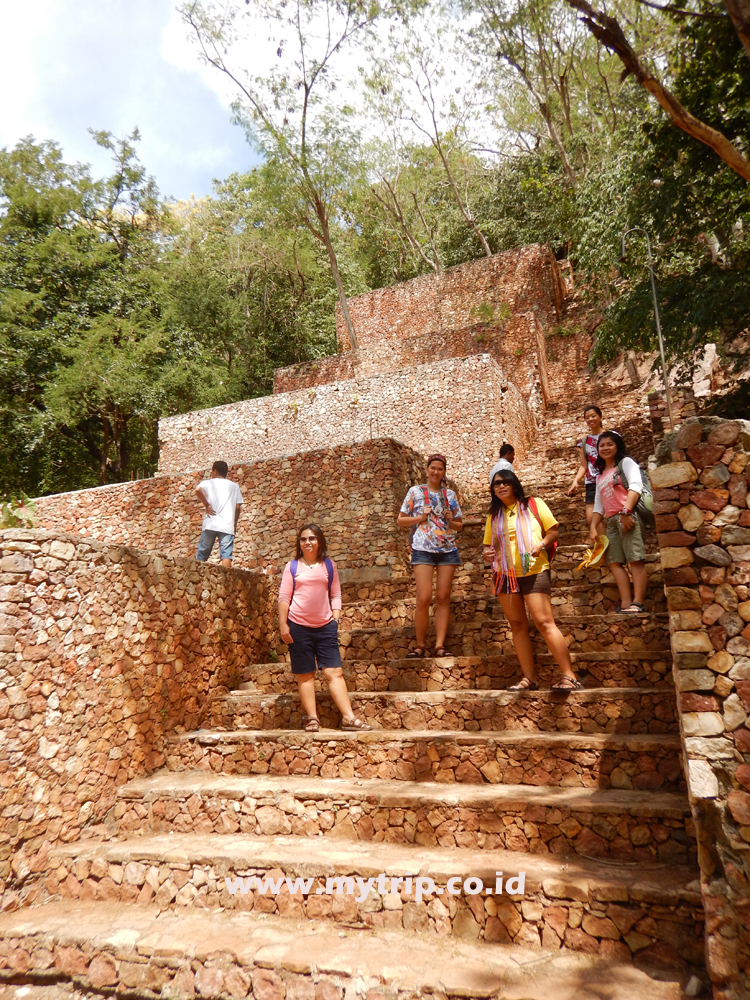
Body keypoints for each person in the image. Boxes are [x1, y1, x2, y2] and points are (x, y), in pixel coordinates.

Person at [483, 469, 581, 691]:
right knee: (517, 625)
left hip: (534, 570)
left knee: (544, 622)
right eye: (496, 484)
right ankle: (529, 678)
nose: (500, 486)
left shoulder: (533, 504)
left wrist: (541, 545)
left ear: (515, 485)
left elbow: (553, 532)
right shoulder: (493, 515)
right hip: (505, 575)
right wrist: (487, 554)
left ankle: (569, 675)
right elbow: (488, 547)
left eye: (505, 482)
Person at [278, 524, 371, 732]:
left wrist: (335, 620)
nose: (307, 542)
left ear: (319, 541)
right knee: (305, 674)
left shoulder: (329, 565)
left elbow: (336, 594)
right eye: (303, 539)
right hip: (298, 627)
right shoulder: (292, 567)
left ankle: (348, 718)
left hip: (325, 627)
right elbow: (284, 597)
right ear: (299, 543)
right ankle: (312, 718)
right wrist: (283, 624)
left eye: (311, 538)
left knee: (334, 672)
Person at [397, 454, 464, 658]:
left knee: (443, 597)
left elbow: (459, 525)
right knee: (423, 597)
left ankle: (440, 646)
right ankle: (420, 645)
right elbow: (401, 520)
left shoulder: (450, 495)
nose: (436, 472)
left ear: (444, 472)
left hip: (447, 550)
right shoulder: (415, 492)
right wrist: (420, 517)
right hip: (423, 548)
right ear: (427, 469)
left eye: (440, 469)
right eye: (433, 468)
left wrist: (451, 520)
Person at [589, 431, 647, 614]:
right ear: (597, 450)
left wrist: (626, 511)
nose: (605, 448)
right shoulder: (600, 475)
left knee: (635, 559)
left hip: (627, 517)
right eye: (602, 445)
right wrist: (593, 526)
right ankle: (625, 603)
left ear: (618, 446)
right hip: (611, 521)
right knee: (614, 562)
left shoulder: (626, 463)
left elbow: (636, 486)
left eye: (610, 444)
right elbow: (599, 505)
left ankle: (637, 603)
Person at [195, 461, 243, 568]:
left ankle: (196, 579)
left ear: (215, 471)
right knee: (226, 555)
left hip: (210, 523)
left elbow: (197, 489)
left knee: (202, 555)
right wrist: (234, 524)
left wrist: (207, 505)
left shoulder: (209, 482)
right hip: (227, 526)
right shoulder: (234, 486)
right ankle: (226, 582)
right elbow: (237, 507)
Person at [567, 405, 605, 535]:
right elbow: (584, 465)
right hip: (592, 483)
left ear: (600, 417)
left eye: (593, 415)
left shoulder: (611, 436)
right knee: (591, 517)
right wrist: (575, 481)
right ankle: (606, 549)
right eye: (587, 417)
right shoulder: (584, 442)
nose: (590, 419)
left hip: (609, 479)